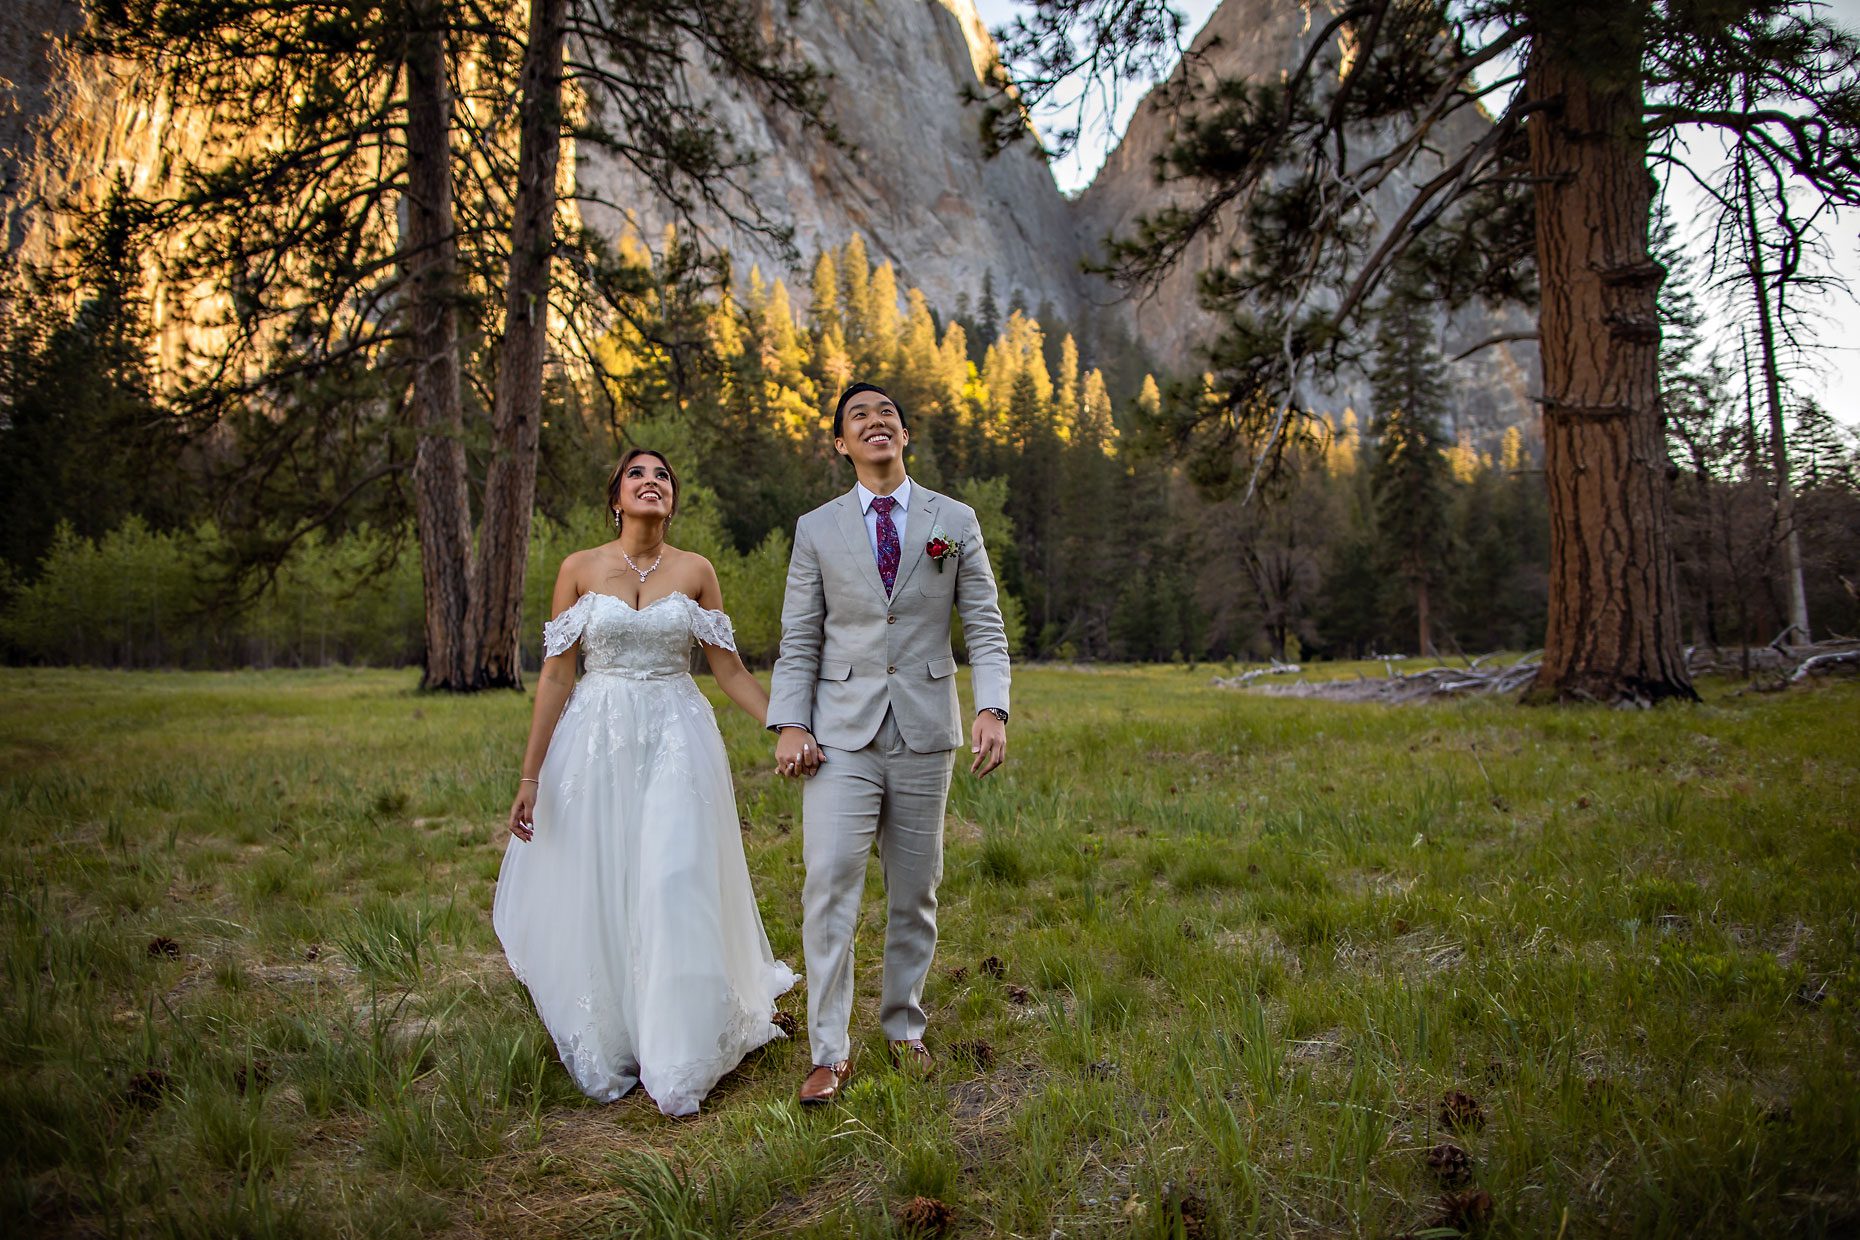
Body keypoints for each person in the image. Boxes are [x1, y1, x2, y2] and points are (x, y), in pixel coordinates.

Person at [494, 448, 795, 1118]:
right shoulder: (578, 569)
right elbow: (556, 675)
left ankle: (677, 1044)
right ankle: (616, 1027)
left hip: (676, 739)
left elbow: (729, 671)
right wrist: (530, 776)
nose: (651, 482)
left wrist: (788, 725)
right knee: (605, 876)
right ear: (616, 498)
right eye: (637, 474)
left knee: (673, 875)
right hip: (596, 741)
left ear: (672, 500)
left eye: (662, 476)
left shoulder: (696, 571)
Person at [767, 382, 1012, 1105]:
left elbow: (985, 624)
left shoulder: (953, 521)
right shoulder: (816, 528)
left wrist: (992, 707)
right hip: (840, 735)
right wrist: (791, 721)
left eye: (887, 415)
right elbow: (799, 637)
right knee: (829, 884)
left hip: (925, 729)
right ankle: (829, 1052)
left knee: (916, 888)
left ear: (905, 436)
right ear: (841, 444)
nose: (875, 422)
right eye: (859, 417)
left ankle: (904, 1026)